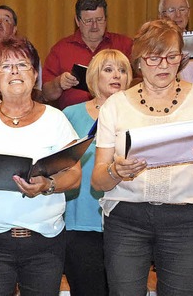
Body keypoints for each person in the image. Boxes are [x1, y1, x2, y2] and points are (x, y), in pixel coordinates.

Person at [91, 19, 193, 295]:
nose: (163, 65)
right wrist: (116, 171)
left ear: (182, 59)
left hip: (185, 220)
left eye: (172, 57)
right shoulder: (115, 106)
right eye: (154, 57)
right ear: (139, 61)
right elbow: (98, 181)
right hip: (127, 219)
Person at [0, 36, 82, 295]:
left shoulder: (55, 120)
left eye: (22, 65)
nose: (14, 72)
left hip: (45, 242)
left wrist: (48, 185)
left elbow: (75, 174)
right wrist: (6, 179)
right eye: (5, 66)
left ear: (35, 75)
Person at [62, 49, 132, 296]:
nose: (117, 75)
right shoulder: (70, 115)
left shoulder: (138, 116)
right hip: (80, 222)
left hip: (127, 224)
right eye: (108, 69)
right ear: (93, 76)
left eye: (123, 70)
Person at [41, 0, 133, 109]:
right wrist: (59, 83)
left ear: (106, 19)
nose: (94, 26)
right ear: (77, 21)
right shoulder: (61, 49)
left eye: (99, 19)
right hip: (75, 120)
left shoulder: (125, 45)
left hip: (119, 114)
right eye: (89, 21)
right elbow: (46, 94)